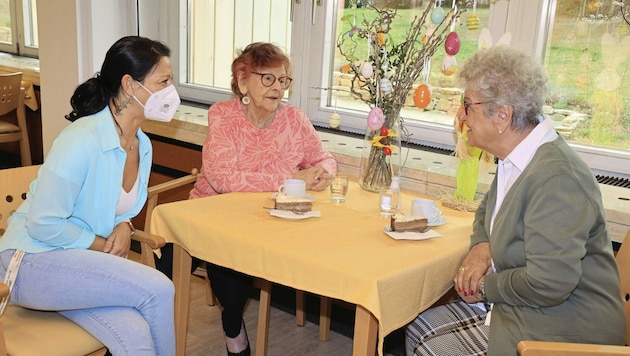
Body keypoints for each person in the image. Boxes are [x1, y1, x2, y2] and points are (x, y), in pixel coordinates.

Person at [405, 46, 626, 355]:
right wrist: (483, 246)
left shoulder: (556, 179)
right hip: (528, 307)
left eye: (468, 105)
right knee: (418, 328)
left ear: (502, 116)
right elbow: (487, 211)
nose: (461, 116)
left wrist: (483, 288)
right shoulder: (518, 157)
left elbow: (548, 284)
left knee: (435, 348)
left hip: (565, 328)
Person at [0, 36, 180, 356]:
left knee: (137, 336)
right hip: (29, 261)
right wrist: (103, 245)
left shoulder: (142, 144)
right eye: (163, 81)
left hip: (79, 266)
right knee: (158, 289)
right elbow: (43, 224)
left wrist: (124, 225)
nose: (171, 91)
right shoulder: (80, 139)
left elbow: (116, 204)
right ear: (130, 84)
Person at [155, 42, 337, 356]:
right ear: (242, 82)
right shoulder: (223, 116)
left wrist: (322, 172)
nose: (277, 87)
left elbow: (326, 158)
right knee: (162, 278)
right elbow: (222, 179)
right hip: (206, 214)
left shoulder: (296, 121)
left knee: (234, 268)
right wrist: (289, 179)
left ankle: (231, 322)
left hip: (263, 222)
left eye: (282, 81)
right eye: (267, 78)